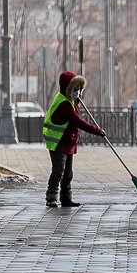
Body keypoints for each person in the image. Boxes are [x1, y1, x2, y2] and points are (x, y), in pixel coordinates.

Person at [42, 71, 106, 207]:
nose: (78, 92)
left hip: (68, 141)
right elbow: (78, 121)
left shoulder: (71, 101)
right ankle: (51, 197)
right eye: (75, 89)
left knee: (68, 172)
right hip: (58, 141)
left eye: (79, 89)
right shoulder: (63, 103)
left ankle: (66, 198)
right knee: (58, 170)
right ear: (67, 88)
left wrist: (76, 99)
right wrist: (97, 131)